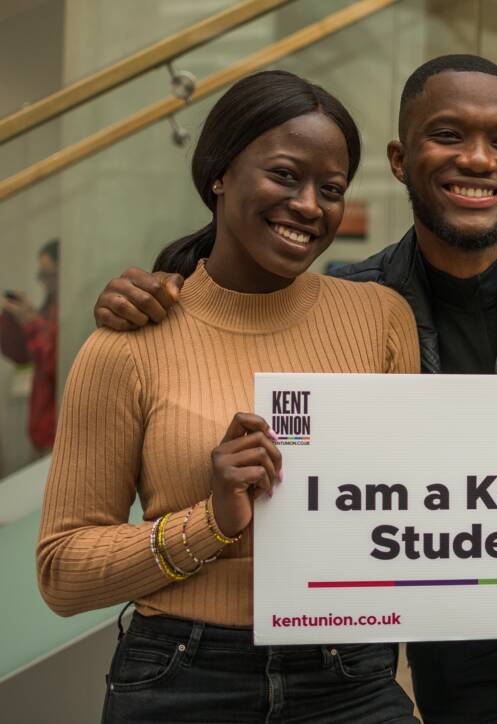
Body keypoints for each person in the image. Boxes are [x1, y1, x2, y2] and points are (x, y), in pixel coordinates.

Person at [91, 56, 497, 723]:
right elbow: (246, 327)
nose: (479, 159)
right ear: (398, 157)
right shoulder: (354, 305)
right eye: (449, 135)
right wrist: (158, 293)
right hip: (464, 631)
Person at [37, 70, 421, 724]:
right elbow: (62, 573)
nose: (309, 205)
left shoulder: (381, 318)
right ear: (218, 173)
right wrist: (210, 521)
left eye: (331, 189)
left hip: (349, 678)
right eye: (284, 175)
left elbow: (414, 523)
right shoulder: (130, 342)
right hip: (183, 676)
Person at [0, 238, 59, 452]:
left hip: (60, 433)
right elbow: (20, 356)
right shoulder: (48, 311)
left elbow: (57, 366)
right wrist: (12, 321)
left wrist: (33, 324)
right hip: (43, 434)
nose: (42, 281)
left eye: (47, 273)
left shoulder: (69, 311)